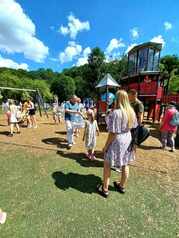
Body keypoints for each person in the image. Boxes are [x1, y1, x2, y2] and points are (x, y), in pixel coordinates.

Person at [97, 90, 137, 198]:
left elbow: (113, 133)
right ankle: (122, 186)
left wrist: (105, 146)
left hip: (118, 139)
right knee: (125, 163)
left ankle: (105, 188)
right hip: (128, 138)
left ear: (117, 99)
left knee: (107, 164)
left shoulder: (116, 113)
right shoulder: (131, 111)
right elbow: (134, 127)